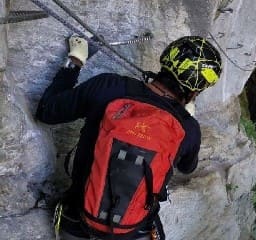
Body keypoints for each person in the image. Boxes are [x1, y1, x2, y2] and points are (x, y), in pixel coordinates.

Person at [36, 35, 222, 240]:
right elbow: (188, 167)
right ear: (197, 91)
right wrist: (186, 119)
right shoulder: (188, 129)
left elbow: (47, 111)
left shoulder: (108, 86)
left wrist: (75, 61)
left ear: (166, 58)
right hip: (134, 233)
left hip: (77, 224)